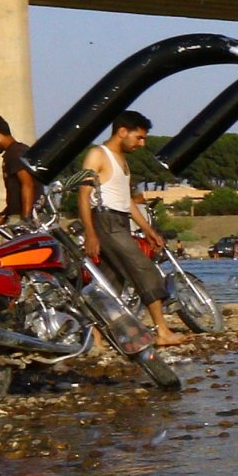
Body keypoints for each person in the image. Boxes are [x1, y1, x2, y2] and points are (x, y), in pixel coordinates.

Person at [76, 111, 186, 347]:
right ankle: (162, 331)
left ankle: (94, 337)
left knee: (110, 281)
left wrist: (148, 230)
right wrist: (90, 233)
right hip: (105, 221)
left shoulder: (122, 160)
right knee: (143, 268)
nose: (142, 144)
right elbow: (83, 195)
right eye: (139, 138)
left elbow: (127, 202)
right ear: (122, 131)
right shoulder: (98, 154)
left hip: (119, 220)